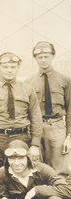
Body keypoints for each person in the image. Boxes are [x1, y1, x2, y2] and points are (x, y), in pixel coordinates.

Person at [0, 52, 43, 178]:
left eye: (13, 67)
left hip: (20, 137)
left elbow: (36, 118)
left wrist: (34, 145)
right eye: (5, 67)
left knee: (24, 173)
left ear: (17, 68)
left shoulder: (27, 89)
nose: (9, 70)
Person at [27, 41, 71, 170]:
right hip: (36, 127)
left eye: (46, 56)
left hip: (57, 127)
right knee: (36, 165)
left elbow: (70, 110)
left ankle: (59, 190)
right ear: (35, 59)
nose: (43, 60)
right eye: (39, 57)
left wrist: (69, 136)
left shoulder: (65, 80)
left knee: (60, 167)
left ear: (53, 56)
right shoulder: (29, 82)